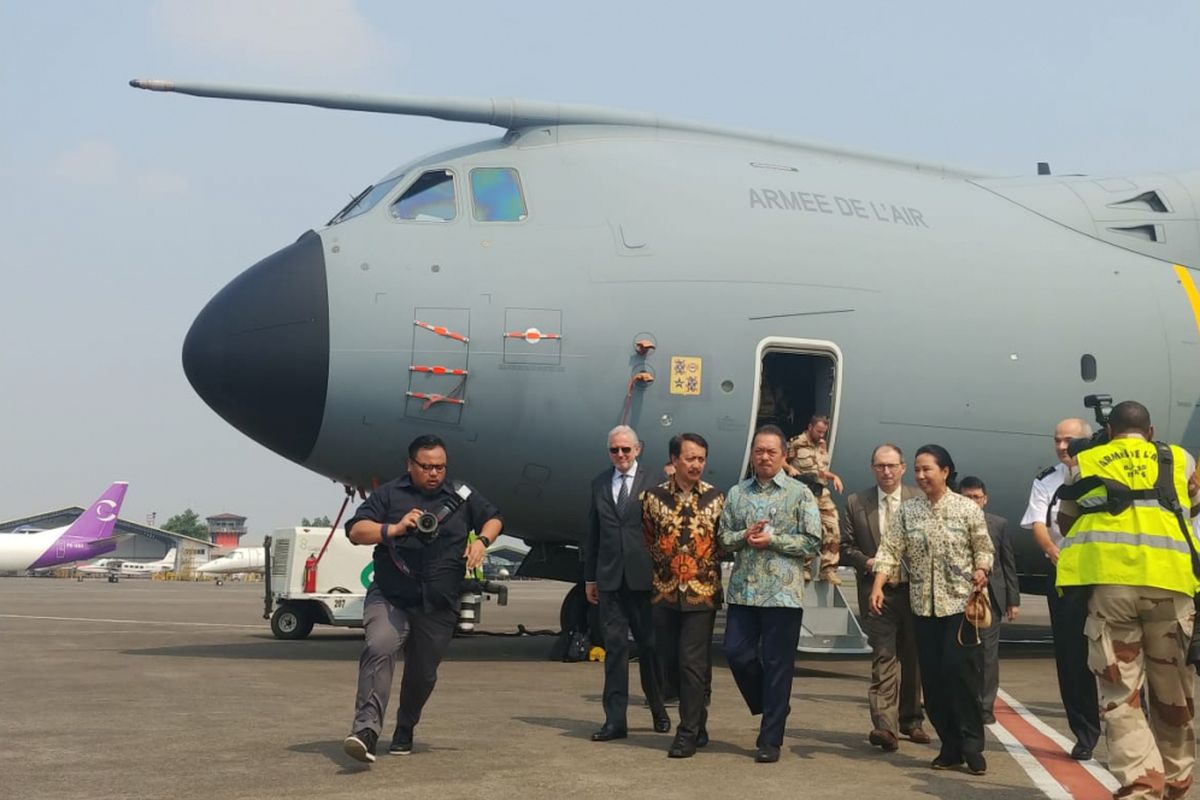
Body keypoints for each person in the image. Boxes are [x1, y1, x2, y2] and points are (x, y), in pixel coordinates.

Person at [1055, 401, 1200, 800]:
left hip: (1112, 589)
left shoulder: (1087, 461)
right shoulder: (1180, 459)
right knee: (1174, 694)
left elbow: (1065, 521)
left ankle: (1141, 786)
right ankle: (1177, 782)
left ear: (1111, 430)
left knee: (1121, 694)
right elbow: (1191, 504)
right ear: (1150, 431)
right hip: (1171, 586)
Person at [342, 434, 503, 763]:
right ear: (410, 465)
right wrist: (395, 529)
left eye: (440, 467)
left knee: (423, 673)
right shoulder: (390, 494)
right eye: (427, 466)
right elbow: (356, 530)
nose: (434, 473)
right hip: (391, 595)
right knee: (379, 646)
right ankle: (366, 731)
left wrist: (482, 541)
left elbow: (495, 517)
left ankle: (405, 726)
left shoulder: (461, 495)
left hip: (439, 603)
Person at [869, 444, 993, 775]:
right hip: (923, 607)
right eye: (919, 470)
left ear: (945, 472)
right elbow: (890, 549)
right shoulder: (909, 512)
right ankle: (950, 746)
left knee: (959, 673)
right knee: (934, 680)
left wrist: (982, 569)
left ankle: (971, 742)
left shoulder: (967, 509)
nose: (922, 476)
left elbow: (984, 548)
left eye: (928, 469)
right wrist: (879, 585)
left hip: (959, 606)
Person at [719, 425, 821, 763]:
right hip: (744, 592)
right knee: (735, 653)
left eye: (771, 452)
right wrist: (742, 537)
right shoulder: (737, 493)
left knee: (779, 665)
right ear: (752, 454)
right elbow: (723, 538)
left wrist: (773, 539)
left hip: (783, 596)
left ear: (784, 456)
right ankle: (771, 702)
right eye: (759, 451)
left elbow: (812, 541)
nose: (764, 457)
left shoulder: (800, 494)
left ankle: (770, 739)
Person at [1019, 417, 1100, 760]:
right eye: (1057, 440)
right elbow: (1038, 523)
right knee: (1071, 656)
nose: (1062, 447)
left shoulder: (1103, 473)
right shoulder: (1047, 479)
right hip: (1064, 576)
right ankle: (1085, 733)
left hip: (1101, 574)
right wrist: (1055, 554)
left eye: (1069, 441)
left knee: (1119, 653)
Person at [839, 443, 929, 752]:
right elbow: (845, 546)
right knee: (883, 657)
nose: (886, 471)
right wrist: (867, 562)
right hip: (876, 593)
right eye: (880, 466)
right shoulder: (856, 502)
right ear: (872, 468)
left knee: (915, 657)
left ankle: (911, 720)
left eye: (892, 466)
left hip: (912, 591)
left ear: (903, 468)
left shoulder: (919, 499)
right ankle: (885, 727)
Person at [641, 433, 725, 758]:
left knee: (692, 662)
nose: (696, 465)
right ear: (674, 460)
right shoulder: (652, 498)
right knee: (670, 663)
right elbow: (648, 537)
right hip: (664, 592)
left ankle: (686, 733)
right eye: (690, 458)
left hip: (701, 595)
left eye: (701, 459)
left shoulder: (717, 498)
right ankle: (699, 720)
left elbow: (721, 542)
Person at [584, 425, 669, 741]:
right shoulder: (599, 483)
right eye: (614, 450)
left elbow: (664, 533)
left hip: (645, 579)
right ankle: (615, 721)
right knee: (615, 650)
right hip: (609, 580)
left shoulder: (655, 483)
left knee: (649, 646)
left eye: (625, 450)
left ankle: (658, 708)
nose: (620, 455)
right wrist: (590, 578)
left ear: (638, 449)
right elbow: (592, 534)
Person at [958, 476, 1020, 724]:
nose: (972, 502)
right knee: (959, 652)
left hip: (990, 599)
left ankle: (985, 707)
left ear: (985, 499)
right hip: (958, 597)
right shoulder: (951, 523)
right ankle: (961, 700)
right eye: (966, 497)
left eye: (976, 497)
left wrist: (1012, 601)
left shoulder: (998, 524)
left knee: (987, 655)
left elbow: (1008, 564)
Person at [786, 415, 844, 584]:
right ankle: (804, 567)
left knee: (833, 526)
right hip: (804, 491)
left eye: (823, 432)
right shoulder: (796, 442)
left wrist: (834, 477)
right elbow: (781, 460)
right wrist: (789, 468)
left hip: (820, 491)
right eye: (818, 431)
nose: (821, 435)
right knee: (809, 528)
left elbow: (821, 470)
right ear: (810, 427)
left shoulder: (822, 445)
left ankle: (828, 569)